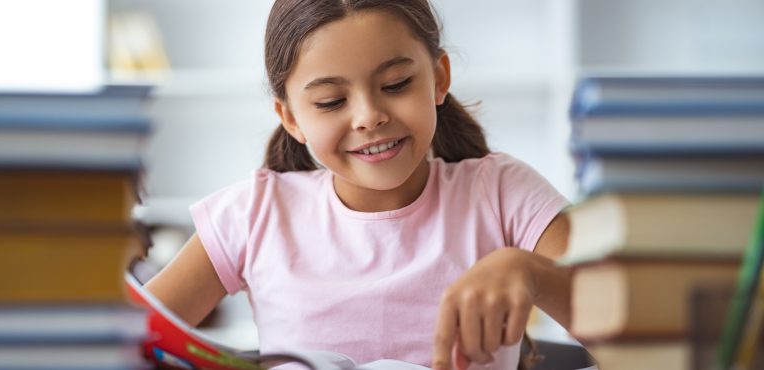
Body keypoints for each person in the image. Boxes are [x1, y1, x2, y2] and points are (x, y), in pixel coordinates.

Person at [145, 1, 571, 369]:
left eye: (396, 85)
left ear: (439, 77)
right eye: (331, 101)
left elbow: (632, 321)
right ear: (291, 117)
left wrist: (534, 274)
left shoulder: (502, 194)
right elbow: (117, 343)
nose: (369, 116)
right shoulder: (252, 216)